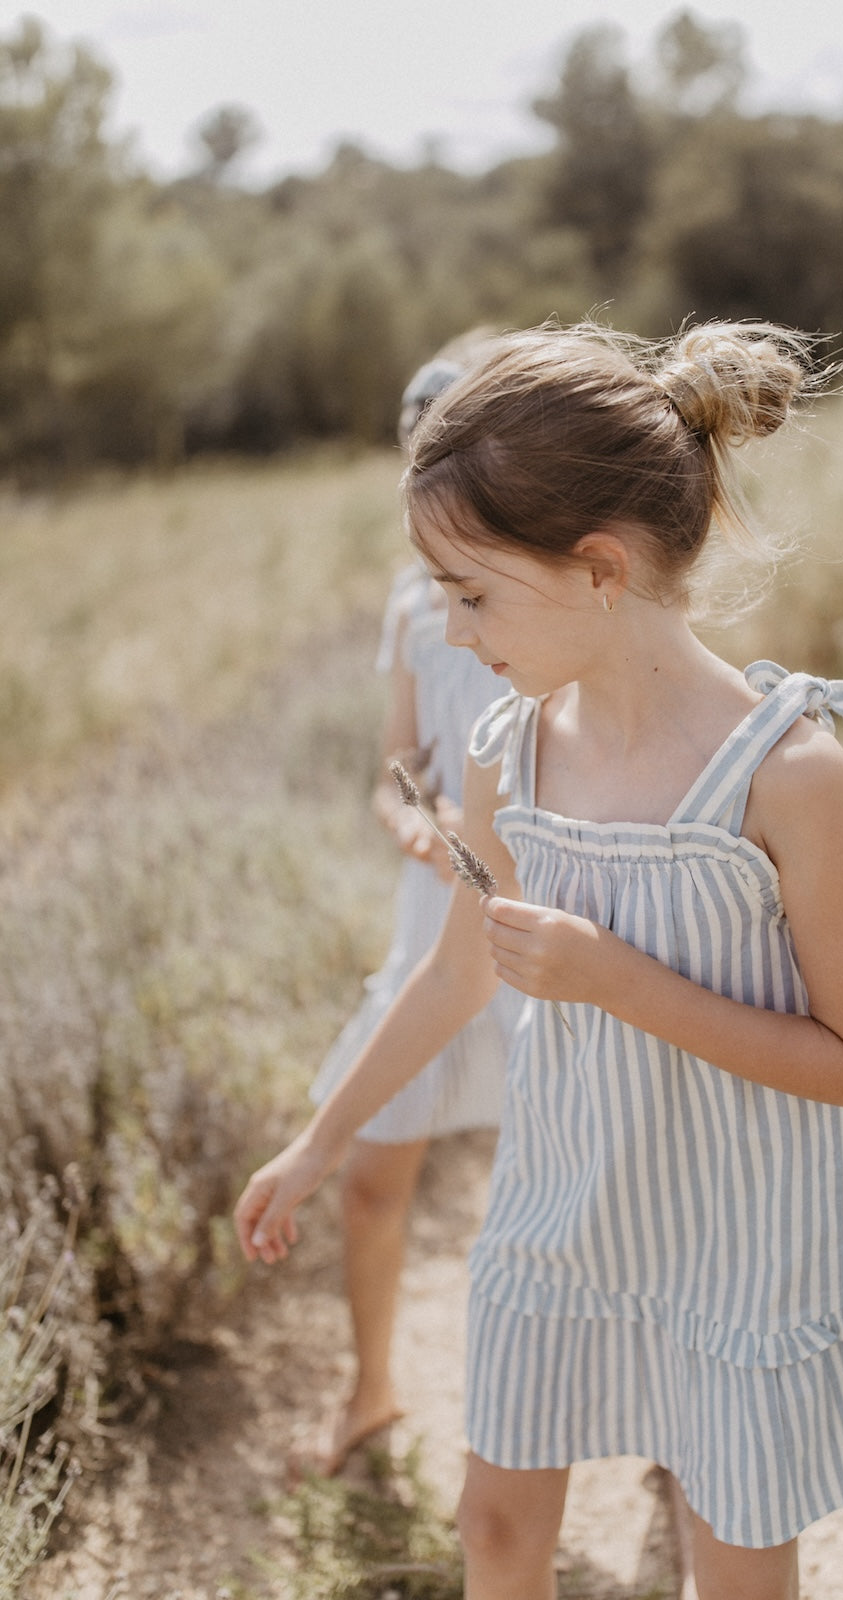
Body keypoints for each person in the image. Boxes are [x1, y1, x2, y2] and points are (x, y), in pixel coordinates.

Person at [236, 319, 843, 1599]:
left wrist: (617, 979)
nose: (451, 634)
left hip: (737, 1246)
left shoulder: (784, 776)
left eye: (471, 592)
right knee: (497, 1532)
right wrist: (320, 1140)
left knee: (731, 1566)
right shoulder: (502, 753)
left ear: (597, 568)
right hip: (557, 1218)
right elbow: (458, 976)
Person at [292, 344, 521, 1476]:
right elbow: (398, 762)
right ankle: (371, 1388)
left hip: (536, 918)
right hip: (429, 916)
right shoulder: (409, 606)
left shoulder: (533, 595)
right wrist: (414, 822)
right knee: (376, 1171)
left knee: (571, 1183)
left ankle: (655, 1421)